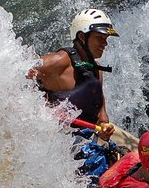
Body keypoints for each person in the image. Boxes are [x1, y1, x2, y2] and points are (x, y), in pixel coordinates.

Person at [27, 8, 118, 141]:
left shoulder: (96, 69)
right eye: (99, 38)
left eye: (106, 38)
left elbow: (102, 116)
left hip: (85, 142)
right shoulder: (58, 62)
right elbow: (18, 69)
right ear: (82, 37)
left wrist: (104, 128)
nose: (105, 44)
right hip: (57, 143)